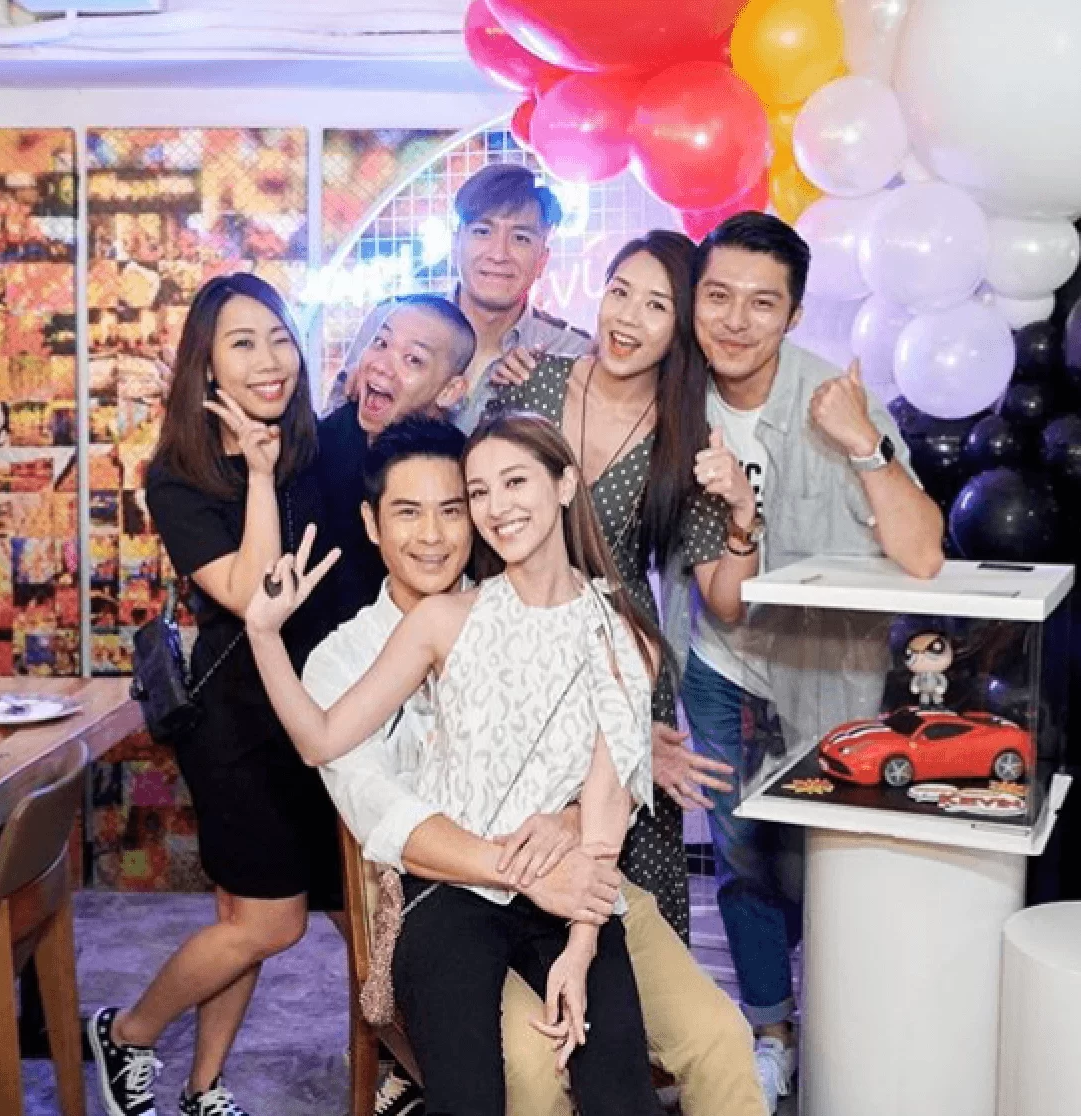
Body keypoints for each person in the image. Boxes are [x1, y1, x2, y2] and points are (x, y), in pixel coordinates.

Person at [305, 416, 769, 1116]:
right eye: (408, 512)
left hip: (585, 880)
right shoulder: (340, 662)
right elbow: (384, 813)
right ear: (372, 523)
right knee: (533, 1066)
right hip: (455, 892)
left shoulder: (550, 618)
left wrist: (598, 788)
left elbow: (595, 765)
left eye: (453, 508)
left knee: (721, 1039)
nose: (433, 534)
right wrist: (525, 866)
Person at [245, 413, 670, 1116]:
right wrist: (263, 633)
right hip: (450, 894)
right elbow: (320, 740)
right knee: (469, 1098)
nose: (497, 507)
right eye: (480, 492)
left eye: (515, 482)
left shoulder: (626, 639)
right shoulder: (444, 619)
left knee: (621, 1095)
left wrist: (582, 946)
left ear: (565, 484)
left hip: (566, 893)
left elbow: (603, 808)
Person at [679, 212, 946, 1110]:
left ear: (793, 315)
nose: (735, 321)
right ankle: (773, 1032)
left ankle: (849, 1030)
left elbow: (922, 554)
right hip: (721, 664)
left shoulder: (833, 399)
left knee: (832, 865)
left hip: (830, 672)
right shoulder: (673, 400)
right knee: (744, 857)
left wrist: (863, 444)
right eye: (718, 296)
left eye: (762, 303)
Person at [88, 273, 341, 1116]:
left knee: (243, 923)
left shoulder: (316, 447)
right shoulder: (179, 477)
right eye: (243, 343)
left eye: (279, 337)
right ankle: (127, 1033)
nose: (270, 360)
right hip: (238, 729)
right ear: (207, 368)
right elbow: (251, 593)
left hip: (319, 714)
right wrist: (260, 479)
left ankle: (202, 1088)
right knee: (271, 923)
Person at [488, 230, 757, 941]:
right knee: (520, 864)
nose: (627, 317)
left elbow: (726, 600)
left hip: (623, 664)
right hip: (520, 651)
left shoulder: (687, 438)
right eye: (619, 292)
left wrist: (742, 512)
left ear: (681, 329)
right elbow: (475, 513)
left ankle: (639, 1015)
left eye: (656, 305)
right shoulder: (532, 383)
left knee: (629, 896)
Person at [323, 164, 591, 429]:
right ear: (455, 243)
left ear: (543, 259)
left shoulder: (570, 352)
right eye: (482, 232)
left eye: (520, 238)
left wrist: (542, 391)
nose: (498, 254)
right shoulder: (392, 320)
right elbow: (328, 439)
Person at [316, 292, 476, 619]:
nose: (382, 366)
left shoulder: (465, 469)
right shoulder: (320, 447)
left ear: (450, 390)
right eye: (381, 343)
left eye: (413, 359)